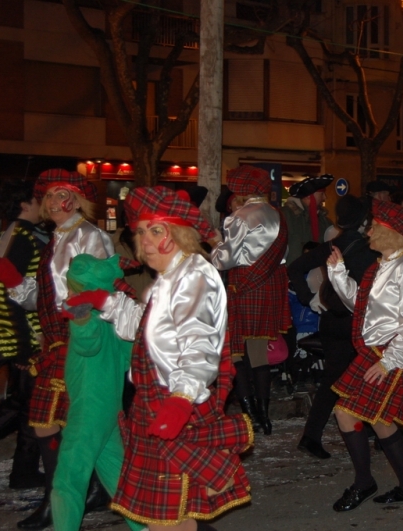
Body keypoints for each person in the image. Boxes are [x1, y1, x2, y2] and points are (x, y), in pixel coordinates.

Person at [79, 186, 252, 531]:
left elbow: (200, 347)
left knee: (168, 519)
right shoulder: (168, 278)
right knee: (173, 516)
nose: (144, 240)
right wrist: (106, 304)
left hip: (177, 405)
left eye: (156, 230)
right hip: (156, 402)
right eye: (141, 231)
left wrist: (181, 400)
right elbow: (143, 328)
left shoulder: (194, 277)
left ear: (181, 233)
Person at [3, 169, 116, 530]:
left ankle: (62, 501)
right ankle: (97, 492)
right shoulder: (56, 238)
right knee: (76, 429)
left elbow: (101, 292)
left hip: (81, 341)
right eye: (48, 195)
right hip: (56, 341)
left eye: (61, 194)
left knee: (54, 425)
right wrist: (16, 283)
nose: (53, 202)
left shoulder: (90, 236)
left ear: (79, 200)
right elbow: (43, 301)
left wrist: (82, 325)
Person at [326, 200, 403, 511]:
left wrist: (388, 362)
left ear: (392, 232)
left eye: (375, 227)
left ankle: (364, 483)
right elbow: (358, 305)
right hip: (373, 352)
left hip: (392, 355)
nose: (369, 231)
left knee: (346, 412)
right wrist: (337, 272)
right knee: (382, 422)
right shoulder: (380, 265)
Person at [51, 255, 142, 531]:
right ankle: (144, 525)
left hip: (88, 408)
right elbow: (128, 356)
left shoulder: (90, 312)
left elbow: (88, 344)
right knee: (116, 472)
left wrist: (80, 319)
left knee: (69, 475)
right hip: (109, 406)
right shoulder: (115, 313)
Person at [288, 194, 379, 459]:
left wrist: (309, 298)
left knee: (335, 380)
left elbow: (294, 268)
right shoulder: (370, 250)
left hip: (332, 320)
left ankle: (312, 436)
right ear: (363, 220)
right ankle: (378, 430)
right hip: (358, 322)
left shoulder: (331, 246)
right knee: (367, 376)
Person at [211, 165, 291, 436]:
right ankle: (265, 415)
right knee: (259, 355)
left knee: (236, 352)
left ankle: (251, 415)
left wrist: (213, 244)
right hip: (268, 286)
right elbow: (283, 256)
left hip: (242, 287)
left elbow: (225, 259)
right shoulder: (277, 213)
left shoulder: (239, 216)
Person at [0, 179, 48, 490]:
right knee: (27, 407)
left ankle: (23, 471)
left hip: (19, 336)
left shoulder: (9, 235)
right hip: (26, 338)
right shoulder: (24, 237)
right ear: (26, 204)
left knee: (24, 406)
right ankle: (23, 471)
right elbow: (13, 294)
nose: (45, 206)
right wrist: (26, 346)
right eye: (40, 200)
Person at [283, 174, 334, 263]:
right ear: (308, 196)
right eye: (322, 193)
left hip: (316, 274)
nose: (325, 198)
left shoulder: (324, 221)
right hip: (291, 273)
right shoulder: (286, 216)